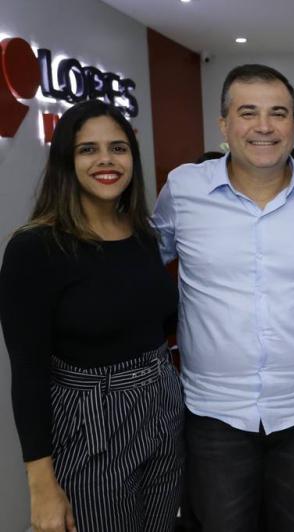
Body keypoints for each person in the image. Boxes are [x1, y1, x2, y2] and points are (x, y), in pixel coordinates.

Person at [152, 64, 294, 532]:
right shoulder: (184, 189)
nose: (264, 126)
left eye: (278, 113)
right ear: (224, 124)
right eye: (248, 112)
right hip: (214, 414)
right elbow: (141, 267)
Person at [0, 99, 182, 532]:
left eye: (118, 148)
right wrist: (41, 484)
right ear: (66, 159)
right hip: (91, 423)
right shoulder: (34, 248)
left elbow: (157, 324)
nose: (106, 160)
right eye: (88, 149)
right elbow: (27, 373)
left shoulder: (142, 235)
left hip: (163, 407)